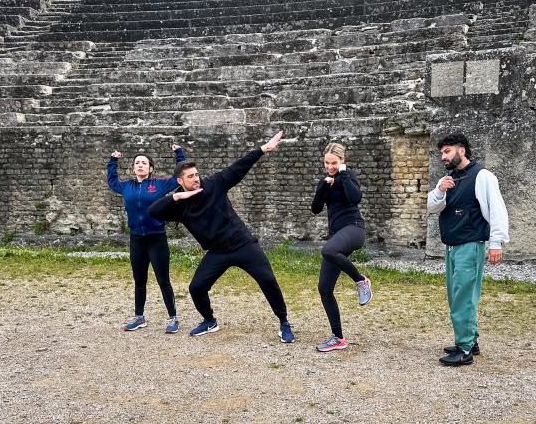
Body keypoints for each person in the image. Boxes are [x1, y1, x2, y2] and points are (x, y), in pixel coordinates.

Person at [148, 131, 295, 343]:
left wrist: (262, 150)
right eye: (190, 177)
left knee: (268, 280)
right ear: (180, 181)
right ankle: (209, 321)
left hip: (243, 244)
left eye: (196, 174)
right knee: (196, 288)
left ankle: (284, 322)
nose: (196, 179)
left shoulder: (213, 184)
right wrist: (177, 196)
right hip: (217, 252)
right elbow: (153, 211)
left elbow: (237, 168)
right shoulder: (179, 206)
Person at [427, 132, 509, 366]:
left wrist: (496, 243)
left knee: (464, 297)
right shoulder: (448, 179)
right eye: (441, 152)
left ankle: (464, 350)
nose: (443, 156)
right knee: (456, 297)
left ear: (461, 150)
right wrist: (440, 190)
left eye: (447, 151)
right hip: (452, 247)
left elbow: (497, 209)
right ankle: (471, 341)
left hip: (470, 244)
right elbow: (432, 206)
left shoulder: (482, 176)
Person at [107, 144, 186, 333]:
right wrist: (113, 161)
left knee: (163, 280)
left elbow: (179, 177)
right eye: (137, 163)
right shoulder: (127, 186)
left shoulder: (159, 185)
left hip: (156, 239)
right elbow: (112, 181)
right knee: (139, 280)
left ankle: (173, 318)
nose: (140, 165)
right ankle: (139, 317)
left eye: (144, 163)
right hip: (137, 240)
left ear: (151, 168)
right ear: (133, 168)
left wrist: (179, 154)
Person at [310, 142, 372, 352]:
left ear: (342, 161)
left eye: (334, 163)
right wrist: (323, 186)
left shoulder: (348, 175)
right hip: (337, 236)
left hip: (354, 229)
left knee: (328, 250)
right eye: (327, 163)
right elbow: (315, 209)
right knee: (324, 289)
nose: (330, 167)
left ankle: (361, 281)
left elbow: (355, 198)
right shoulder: (325, 181)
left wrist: (343, 174)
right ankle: (338, 338)